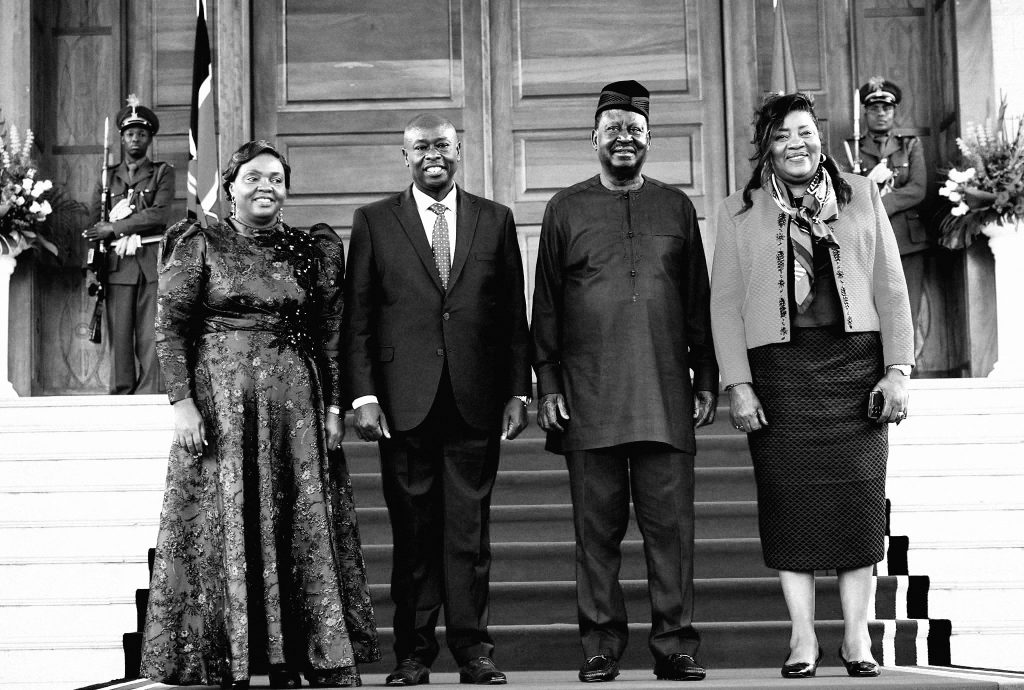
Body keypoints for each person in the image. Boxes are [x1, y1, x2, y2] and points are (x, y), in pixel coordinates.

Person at [141, 140, 379, 688]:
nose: (265, 187)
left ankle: (299, 654)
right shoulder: (198, 242)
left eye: (275, 178)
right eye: (252, 177)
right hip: (221, 409)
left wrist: (335, 406)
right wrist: (181, 403)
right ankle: (230, 657)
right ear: (229, 186)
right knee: (227, 520)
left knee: (297, 524)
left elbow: (329, 332)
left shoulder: (311, 247)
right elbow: (170, 326)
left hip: (295, 409)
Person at [710, 92, 914, 679]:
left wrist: (897, 370)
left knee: (857, 503)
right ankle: (803, 638)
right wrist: (738, 384)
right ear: (766, 149)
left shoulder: (860, 194)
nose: (797, 145)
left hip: (855, 371)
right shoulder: (738, 209)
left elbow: (892, 288)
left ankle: (856, 637)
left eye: (805, 132)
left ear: (819, 138)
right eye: (782, 136)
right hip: (778, 374)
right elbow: (724, 306)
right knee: (788, 506)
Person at [530, 80, 718, 683]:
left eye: (634, 130)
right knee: (596, 534)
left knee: (671, 534)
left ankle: (675, 646)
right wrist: (549, 384)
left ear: (648, 139)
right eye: (612, 128)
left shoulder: (677, 207)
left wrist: (707, 375)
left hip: (664, 393)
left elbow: (698, 301)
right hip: (589, 398)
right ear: (593, 139)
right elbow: (548, 305)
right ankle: (600, 647)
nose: (624, 138)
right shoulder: (565, 208)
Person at [341, 114, 531, 686]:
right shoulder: (374, 221)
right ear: (405, 156)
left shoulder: (494, 219)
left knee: (469, 536)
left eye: (443, 146)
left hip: (476, 398)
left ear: (459, 152)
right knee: (415, 536)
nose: (433, 156)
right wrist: (363, 395)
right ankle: (413, 656)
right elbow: (359, 317)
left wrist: (518, 389)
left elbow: (511, 316)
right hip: (403, 404)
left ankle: (475, 652)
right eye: (421, 147)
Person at [83, 96, 175, 394]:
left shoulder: (162, 172)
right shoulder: (107, 178)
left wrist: (116, 227)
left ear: (150, 138)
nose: (136, 138)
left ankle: (149, 393)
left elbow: (158, 213)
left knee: (150, 333)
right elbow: (94, 224)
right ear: (122, 138)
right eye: (130, 133)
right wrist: (96, 253)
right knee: (120, 334)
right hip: (117, 265)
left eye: (142, 133)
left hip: (150, 260)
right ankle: (122, 393)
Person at [855, 77, 929, 341]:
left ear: (895, 111)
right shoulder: (852, 148)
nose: (880, 114)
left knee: (908, 305)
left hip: (907, 241)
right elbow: (846, 193)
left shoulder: (910, 145)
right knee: (873, 307)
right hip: (869, 241)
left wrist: (879, 204)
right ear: (865, 112)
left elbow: (918, 189)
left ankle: (907, 369)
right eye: (874, 108)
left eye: (886, 108)